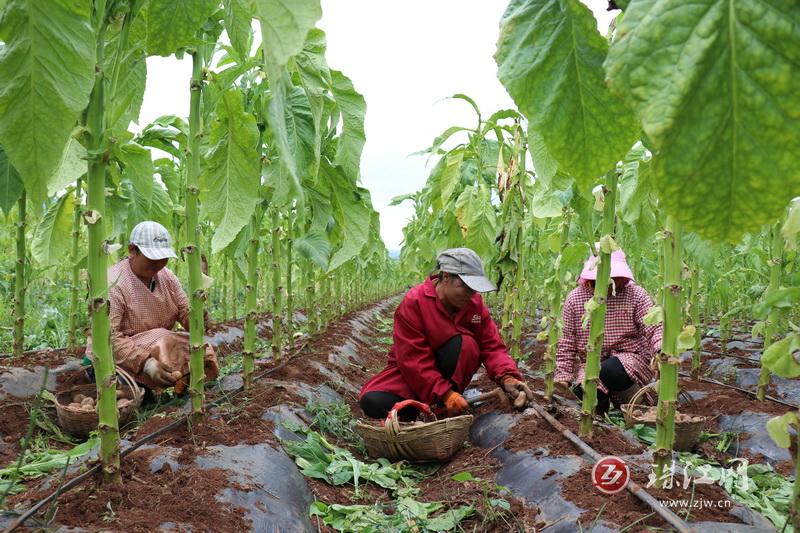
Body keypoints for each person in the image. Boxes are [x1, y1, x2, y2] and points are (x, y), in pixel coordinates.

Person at [359, 248, 533, 421]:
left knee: (464, 343)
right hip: (412, 373)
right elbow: (412, 359)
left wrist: (508, 377)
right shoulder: (415, 303)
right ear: (447, 276)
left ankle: (440, 407)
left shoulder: (474, 304)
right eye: (464, 286)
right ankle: (424, 407)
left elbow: (492, 346)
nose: (470, 294)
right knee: (372, 401)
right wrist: (445, 393)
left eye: (474, 289)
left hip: (449, 375)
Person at [84, 221, 219, 391]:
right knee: (165, 339)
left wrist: (198, 316)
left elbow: (185, 312)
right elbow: (107, 338)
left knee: (200, 349)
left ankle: (177, 386)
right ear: (132, 250)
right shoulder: (113, 283)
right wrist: (146, 363)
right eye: (152, 257)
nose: (159, 263)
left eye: (163, 258)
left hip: (155, 348)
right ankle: (134, 385)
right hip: (111, 359)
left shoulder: (167, 277)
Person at [554, 248, 662, 412]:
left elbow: (654, 326)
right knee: (584, 394)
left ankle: (642, 411)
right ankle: (602, 425)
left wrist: (661, 350)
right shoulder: (575, 299)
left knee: (610, 369)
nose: (615, 281)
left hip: (632, 359)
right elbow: (567, 342)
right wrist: (562, 378)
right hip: (591, 365)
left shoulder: (635, 294)